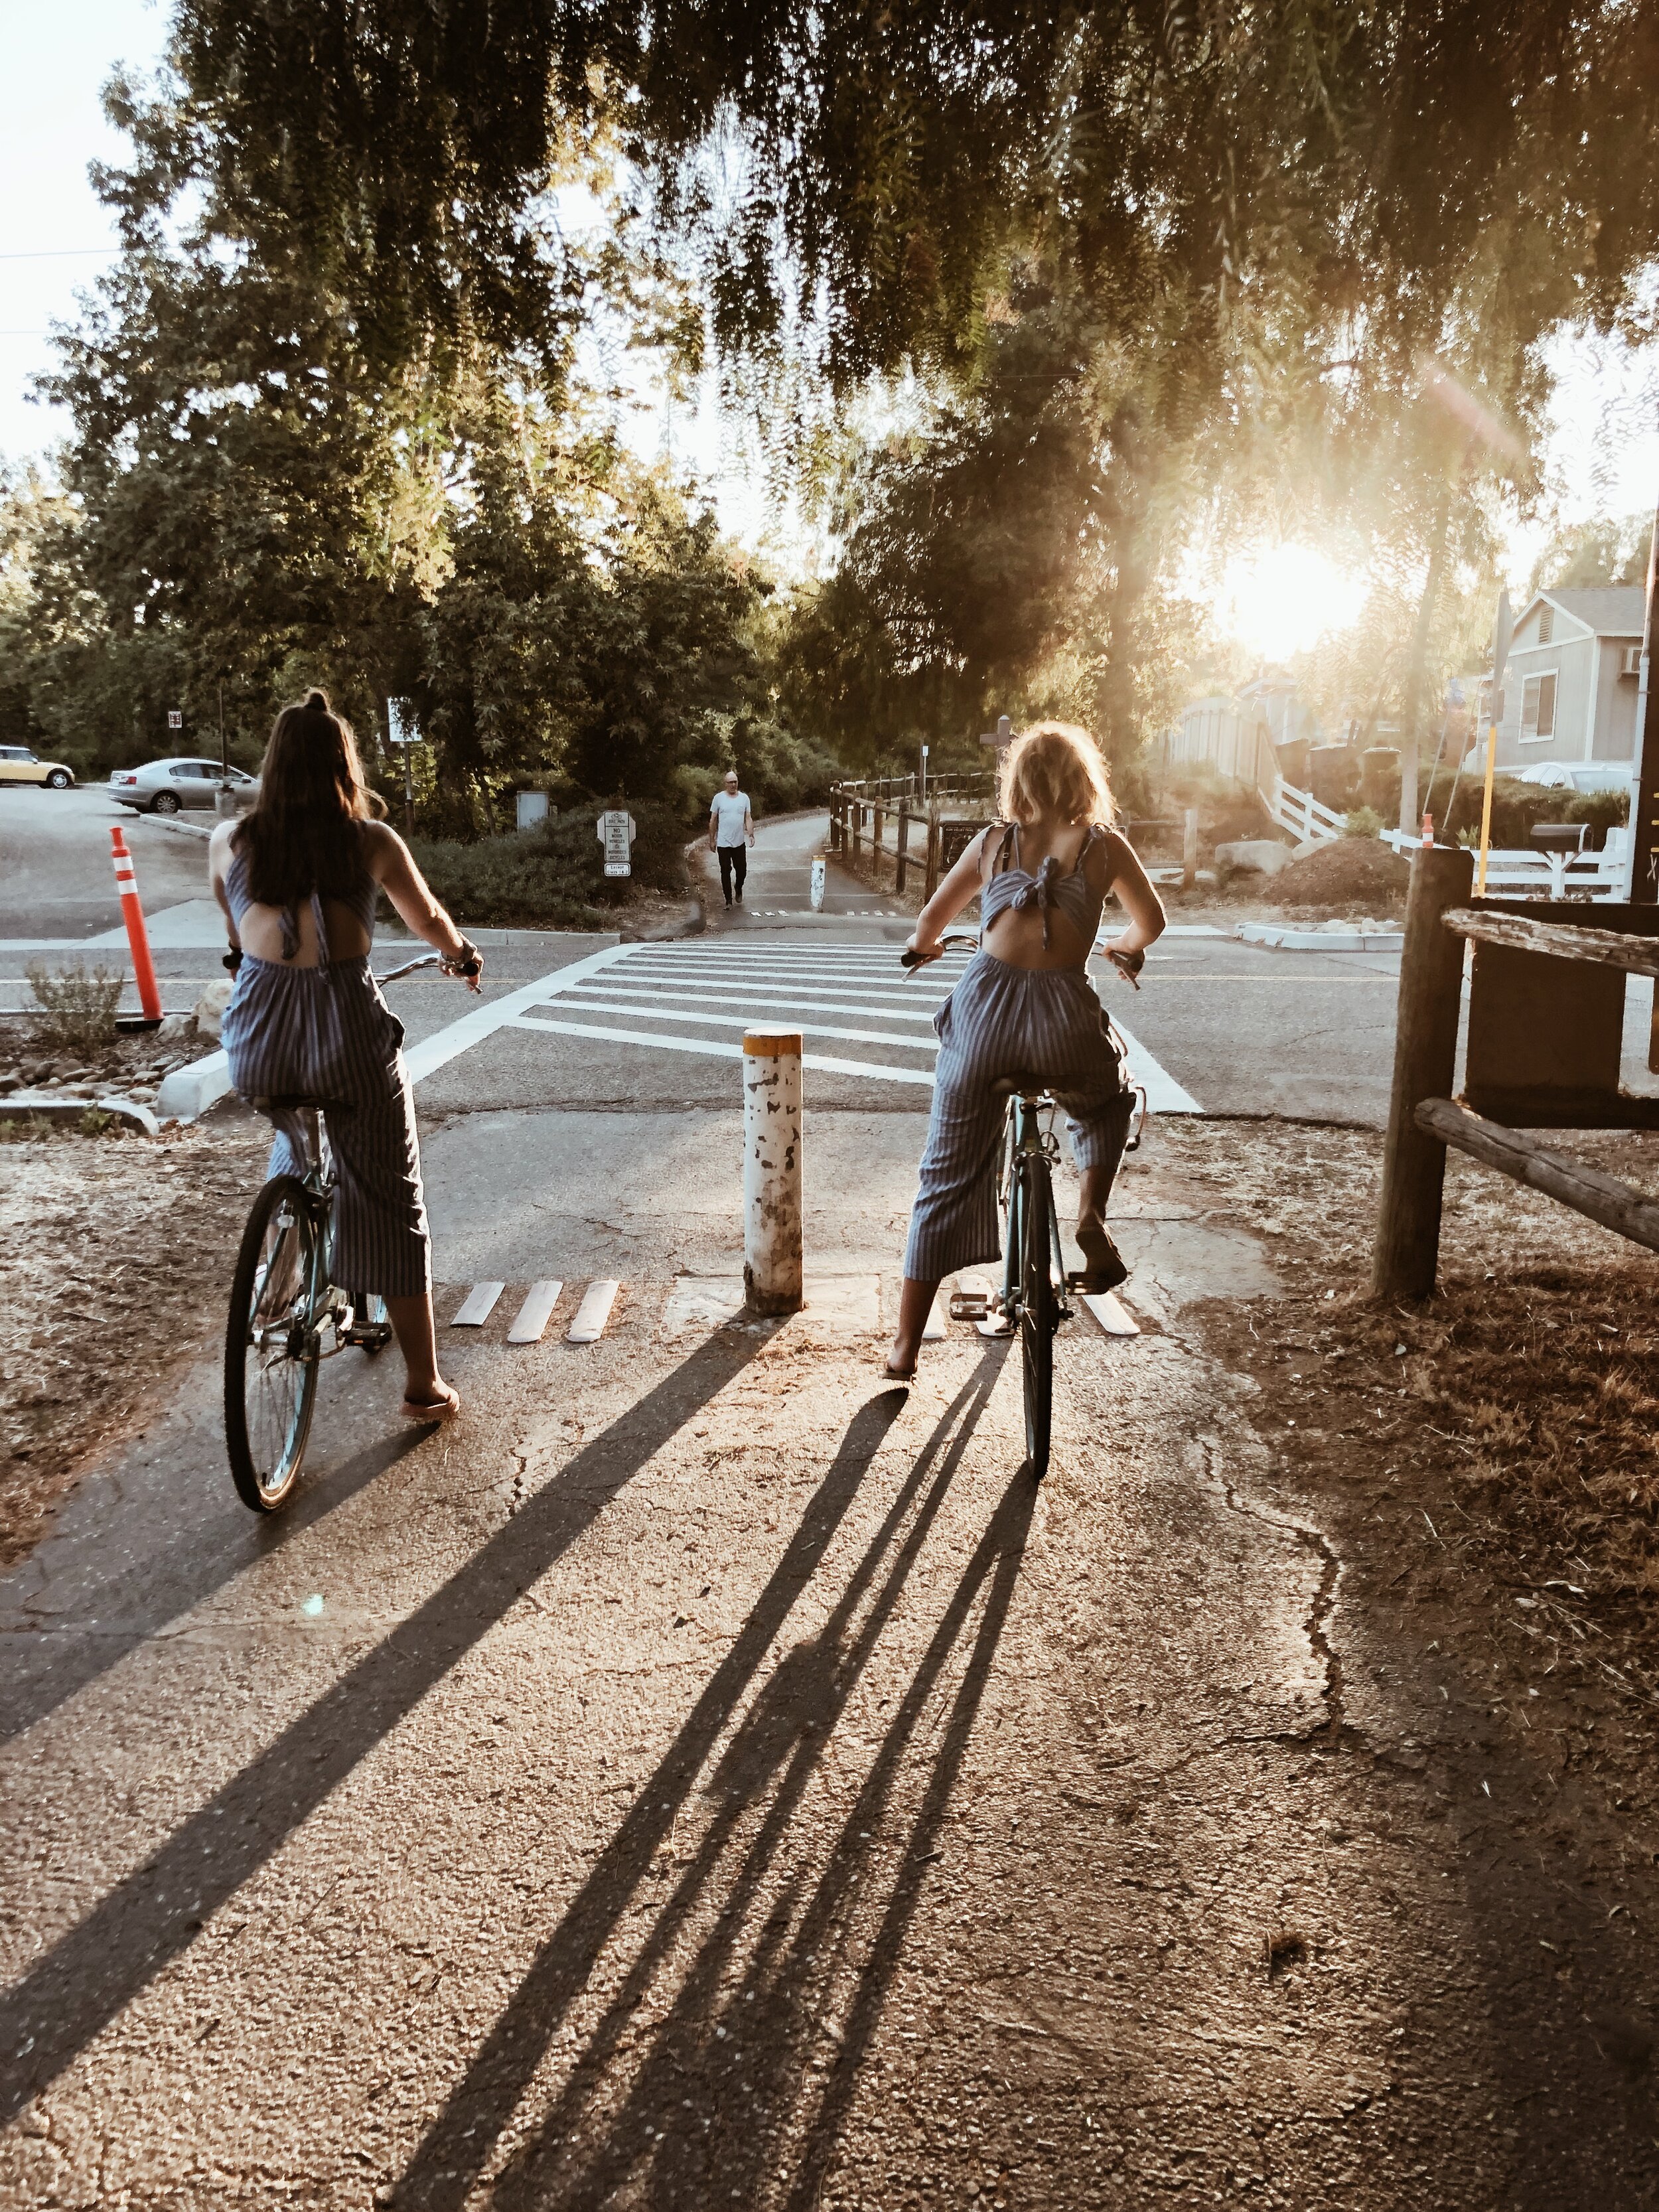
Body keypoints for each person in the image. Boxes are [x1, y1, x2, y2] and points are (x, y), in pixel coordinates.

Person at [209, 689, 484, 1422]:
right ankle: (423, 1385)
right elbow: (426, 918)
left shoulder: (231, 842)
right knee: (392, 1197)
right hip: (345, 1036)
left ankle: (277, 1282)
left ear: (272, 766)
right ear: (343, 764)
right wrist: (459, 955)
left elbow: (237, 938)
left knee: (292, 1133)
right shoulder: (370, 841)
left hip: (259, 1040)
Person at [886, 721, 1166, 1381]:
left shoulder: (990, 843)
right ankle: (1090, 1214)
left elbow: (931, 921)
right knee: (1106, 1101)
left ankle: (903, 1345)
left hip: (984, 1021)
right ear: (1082, 782)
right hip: (1065, 1021)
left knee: (943, 1177)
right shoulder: (1105, 847)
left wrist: (924, 946)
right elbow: (1151, 920)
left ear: (1016, 783)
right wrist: (1127, 949)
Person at [708, 770, 755, 905]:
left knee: (742, 871)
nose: (733, 785)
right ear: (725, 784)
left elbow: (748, 817)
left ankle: (738, 887)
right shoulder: (718, 798)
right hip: (723, 842)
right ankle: (728, 900)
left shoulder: (744, 798)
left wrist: (751, 834)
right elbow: (713, 820)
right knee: (725, 870)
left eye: (735, 782)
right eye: (730, 782)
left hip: (739, 842)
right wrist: (712, 840)